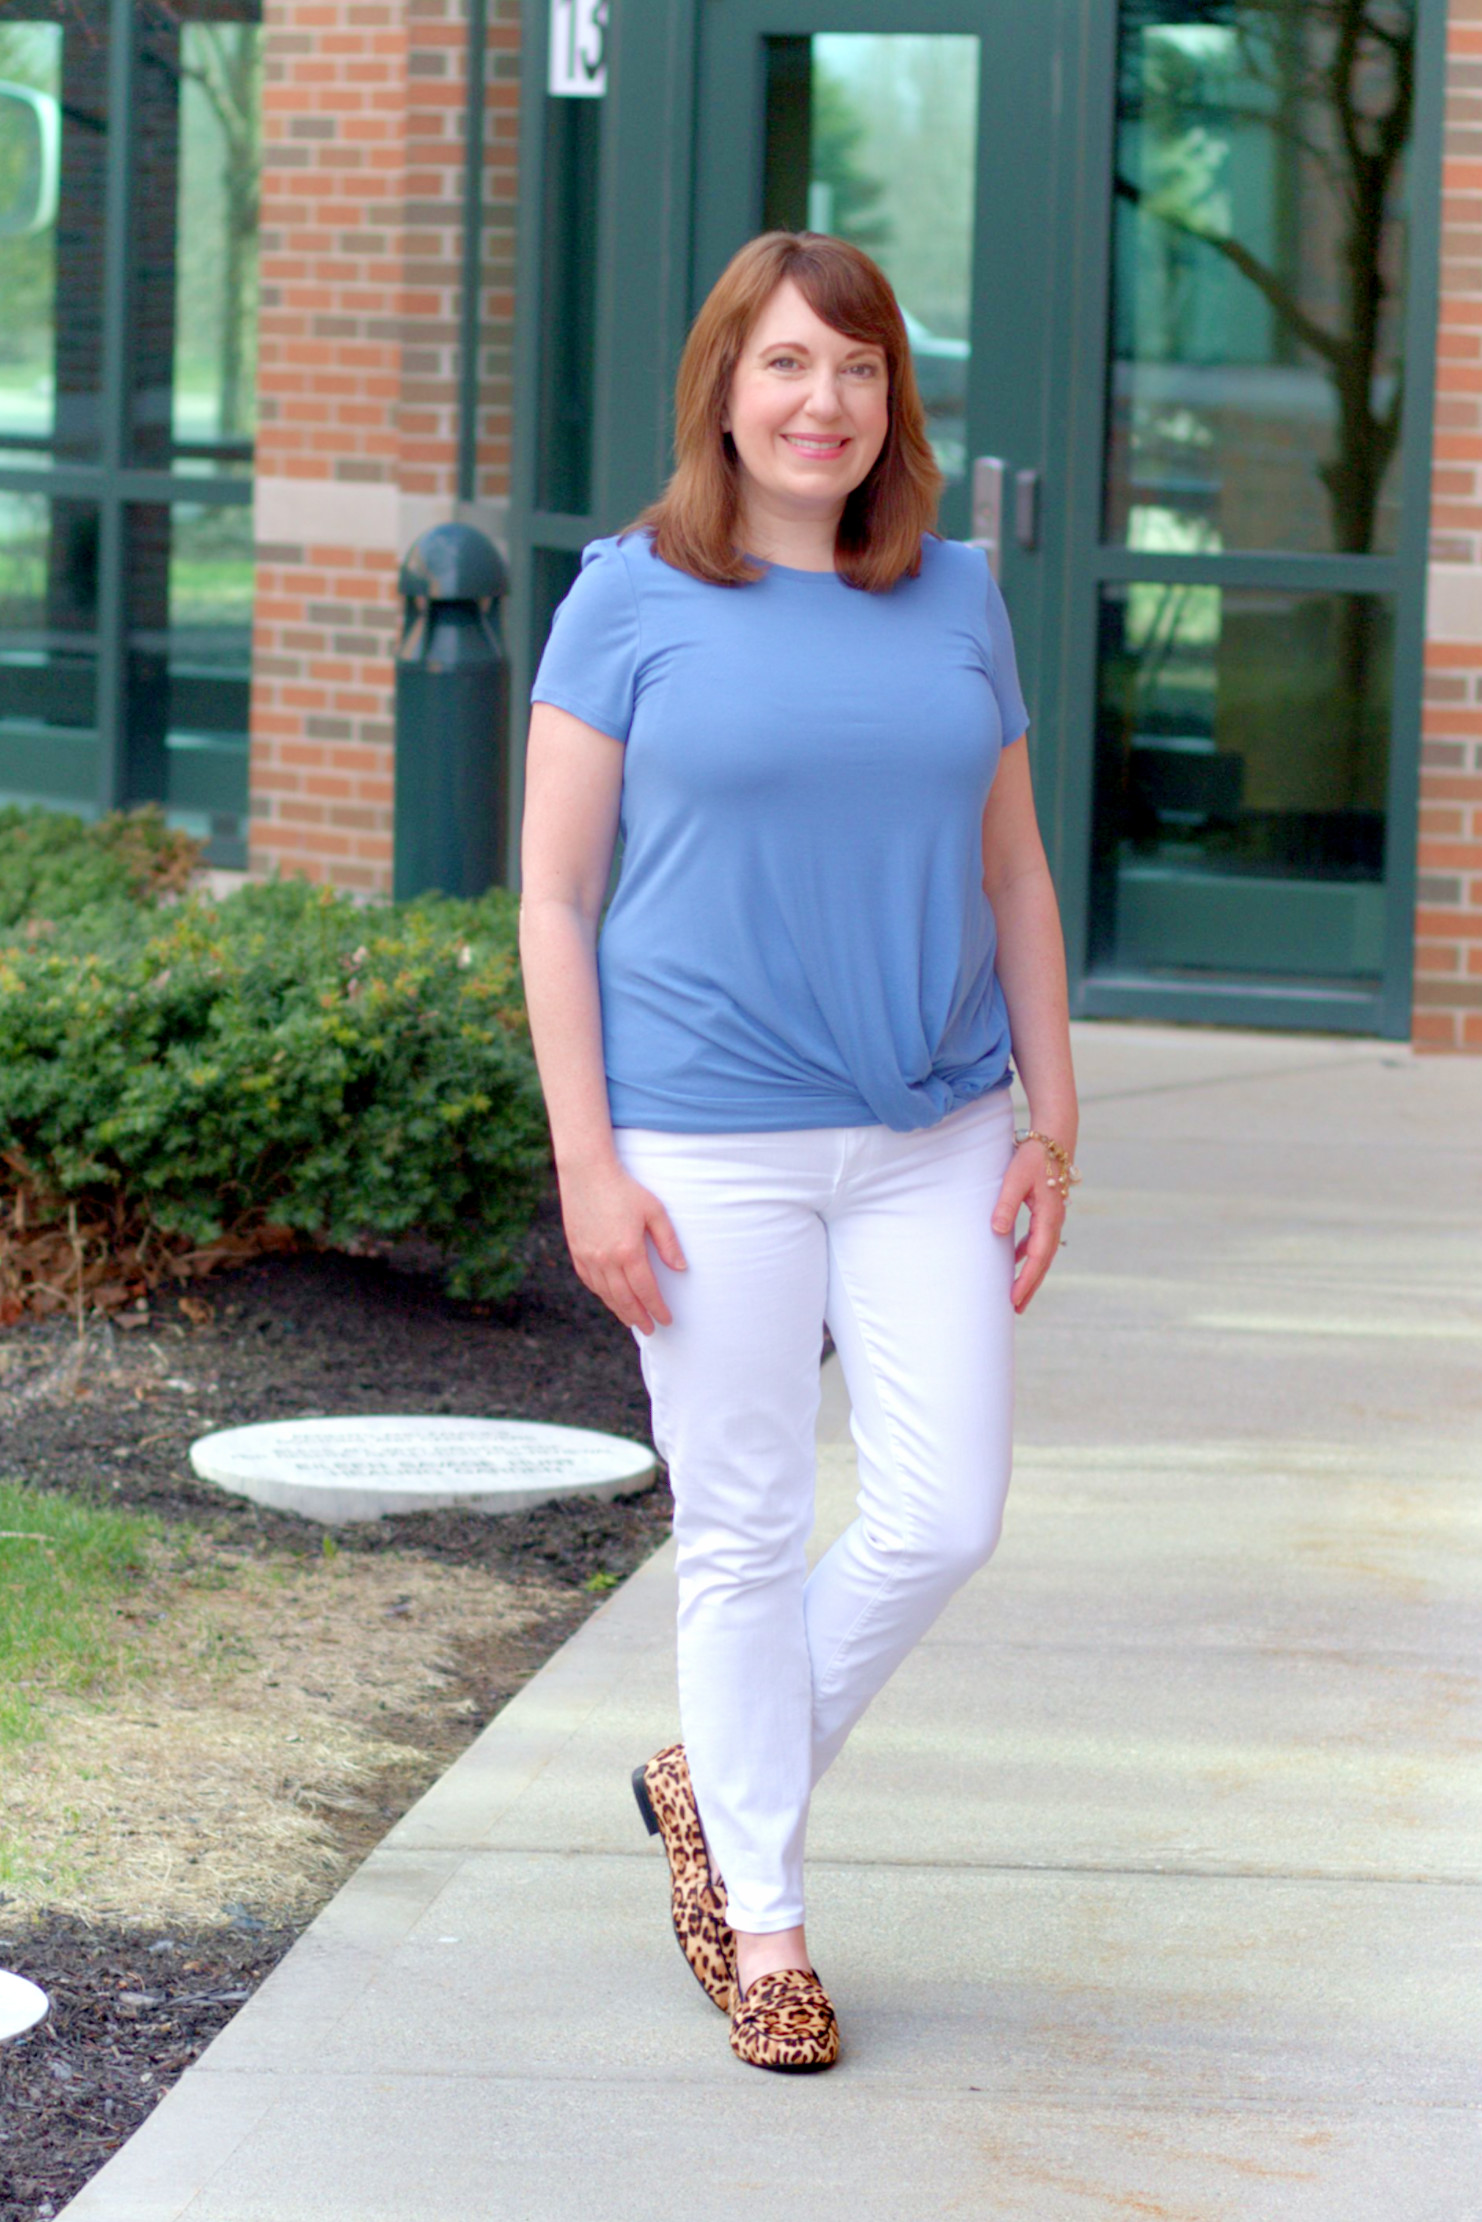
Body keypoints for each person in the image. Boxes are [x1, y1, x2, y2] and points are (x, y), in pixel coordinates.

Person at [518, 231, 1078, 2075]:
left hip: (934, 1124)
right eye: (783, 365)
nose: (820, 401)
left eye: (855, 368)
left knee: (944, 1509)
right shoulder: (627, 596)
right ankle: (764, 1920)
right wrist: (586, 1159)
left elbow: (1010, 866)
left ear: (889, 400)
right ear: (721, 390)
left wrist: (1053, 1113)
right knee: (744, 1528)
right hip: (703, 1141)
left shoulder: (958, 594)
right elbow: (553, 889)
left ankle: (709, 1772)